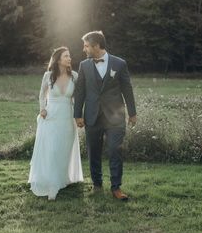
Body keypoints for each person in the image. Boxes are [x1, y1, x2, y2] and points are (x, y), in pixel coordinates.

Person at [73, 31, 137, 201]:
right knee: (93, 151)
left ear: (96, 46)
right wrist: (77, 114)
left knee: (115, 150)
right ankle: (97, 184)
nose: (84, 49)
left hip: (115, 116)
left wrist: (132, 113)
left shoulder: (119, 63)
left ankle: (116, 188)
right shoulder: (84, 66)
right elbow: (80, 91)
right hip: (92, 115)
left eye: (86, 45)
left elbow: (127, 89)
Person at [28, 47, 83, 200]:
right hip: (51, 117)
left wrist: (79, 116)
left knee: (63, 150)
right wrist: (42, 109)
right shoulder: (48, 76)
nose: (69, 58)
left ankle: (61, 179)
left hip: (67, 117)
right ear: (58, 59)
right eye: (66, 56)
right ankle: (53, 184)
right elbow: (41, 95)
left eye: (70, 56)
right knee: (52, 149)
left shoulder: (75, 76)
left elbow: (77, 99)